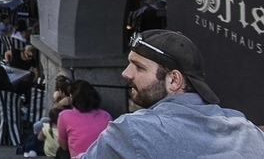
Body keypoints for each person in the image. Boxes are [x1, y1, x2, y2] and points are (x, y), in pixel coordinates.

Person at [78, 29, 264, 158]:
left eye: (139, 67)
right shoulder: (247, 130)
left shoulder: (131, 132)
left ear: (174, 80)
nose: (126, 73)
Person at [57, 80, 109, 157]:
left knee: (60, 151)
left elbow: (63, 146)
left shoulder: (65, 115)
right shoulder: (106, 116)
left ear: (71, 97)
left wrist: (59, 104)